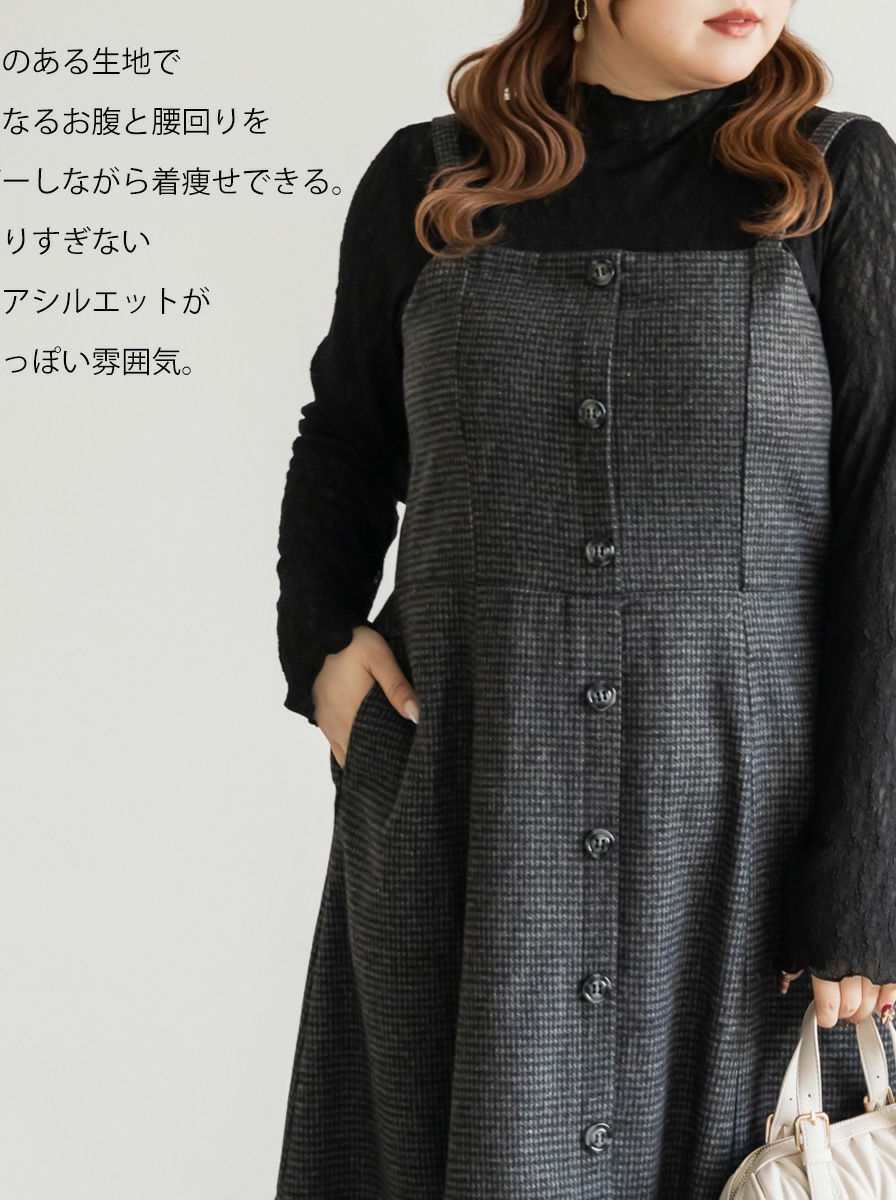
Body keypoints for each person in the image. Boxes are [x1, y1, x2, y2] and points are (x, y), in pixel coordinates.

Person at [273, 0, 896, 1195]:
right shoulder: (430, 181)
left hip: (744, 840)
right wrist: (320, 649)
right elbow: (345, 435)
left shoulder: (835, 179)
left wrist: (867, 863)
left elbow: (886, 513)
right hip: (473, 813)